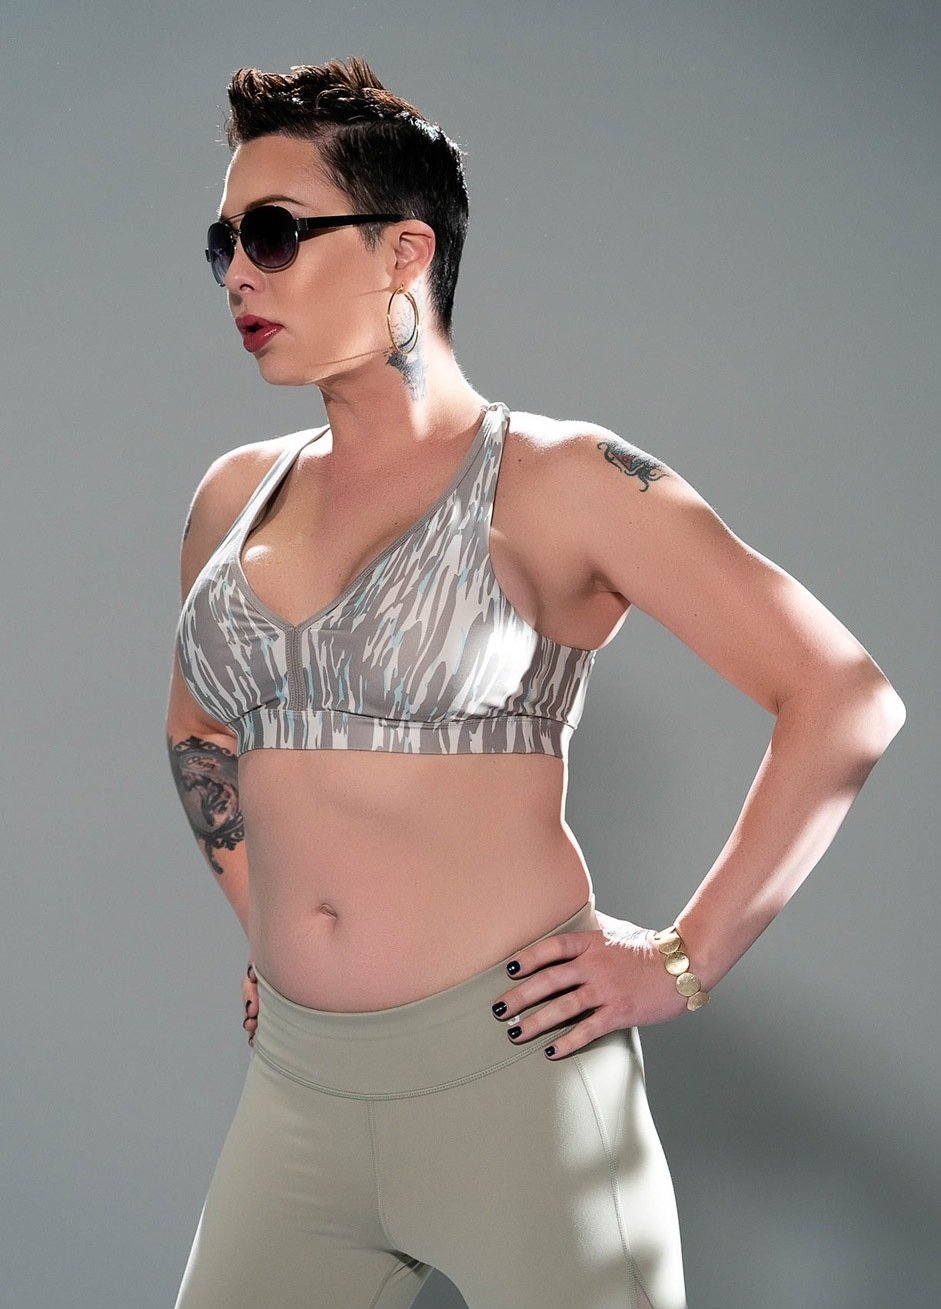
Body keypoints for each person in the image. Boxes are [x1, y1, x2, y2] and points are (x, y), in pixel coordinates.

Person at [165, 57, 905, 1309]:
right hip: (296, 1087)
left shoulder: (562, 480)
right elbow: (197, 728)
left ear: (404, 252)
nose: (239, 272)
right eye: (222, 242)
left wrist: (678, 961)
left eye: (275, 233)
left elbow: (843, 696)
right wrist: (271, 923)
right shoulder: (235, 496)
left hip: (512, 1079)